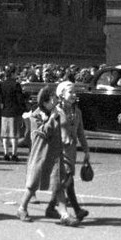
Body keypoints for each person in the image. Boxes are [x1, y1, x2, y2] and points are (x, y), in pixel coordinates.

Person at [42, 80, 90, 225]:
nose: (74, 95)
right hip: (58, 150)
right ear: (61, 94)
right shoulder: (56, 111)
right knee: (64, 179)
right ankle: (74, 209)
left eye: (75, 92)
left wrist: (86, 150)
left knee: (65, 180)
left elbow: (81, 133)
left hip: (71, 151)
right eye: (71, 92)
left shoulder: (77, 112)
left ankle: (52, 208)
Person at [17, 85, 66, 222]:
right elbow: (42, 133)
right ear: (47, 101)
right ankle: (22, 208)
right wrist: (51, 119)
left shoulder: (56, 113)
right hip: (40, 154)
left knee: (58, 183)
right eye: (55, 98)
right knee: (33, 184)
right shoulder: (36, 115)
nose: (57, 100)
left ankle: (63, 214)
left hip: (54, 154)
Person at [0, 64, 26, 161]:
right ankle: (14, 154)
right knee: (14, 134)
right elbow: (20, 99)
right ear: (13, 73)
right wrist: (23, 109)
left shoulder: (2, 84)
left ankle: (6, 153)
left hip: (5, 111)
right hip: (14, 111)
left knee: (5, 134)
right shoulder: (16, 85)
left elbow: (0, 98)